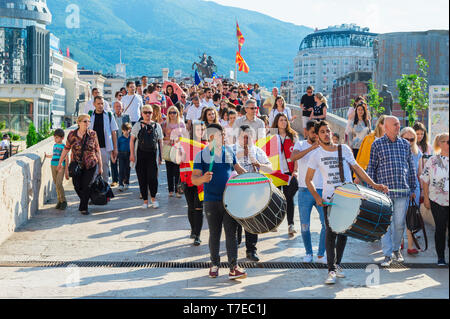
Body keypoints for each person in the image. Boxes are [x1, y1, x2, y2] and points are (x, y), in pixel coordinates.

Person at [305, 120, 388, 284]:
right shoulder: (316, 155)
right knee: (330, 233)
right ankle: (331, 270)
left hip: (349, 197)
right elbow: (308, 180)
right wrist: (316, 196)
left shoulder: (344, 149)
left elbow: (358, 169)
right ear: (317, 135)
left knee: (344, 232)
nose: (326, 134)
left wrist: (374, 185)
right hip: (330, 200)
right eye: (322, 131)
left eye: (328, 130)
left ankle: (337, 265)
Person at [192, 123, 248, 280]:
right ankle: (214, 265)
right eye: (221, 135)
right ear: (211, 137)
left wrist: (252, 178)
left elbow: (239, 170)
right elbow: (194, 179)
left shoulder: (229, 151)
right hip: (211, 201)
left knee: (231, 234)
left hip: (229, 200)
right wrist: (203, 178)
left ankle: (233, 267)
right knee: (214, 234)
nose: (224, 137)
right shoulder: (202, 155)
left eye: (224, 134)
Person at [367, 116, 417, 267]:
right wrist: (372, 190)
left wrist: (413, 187)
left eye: (399, 124)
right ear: (386, 127)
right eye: (395, 125)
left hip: (402, 191)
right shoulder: (377, 144)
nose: (398, 127)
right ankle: (387, 254)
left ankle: (396, 250)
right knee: (386, 225)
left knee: (400, 224)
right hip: (384, 194)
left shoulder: (405, 144)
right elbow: (371, 168)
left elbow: (411, 168)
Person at [232, 125, 273, 262]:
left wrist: (258, 164)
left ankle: (251, 250)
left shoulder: (257, 151)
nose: (246, 140)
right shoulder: (231, 150)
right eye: (243, 137)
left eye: (248, 137)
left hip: (253, 190)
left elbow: (270, 168)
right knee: (235, 220)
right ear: (238, 137)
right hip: (235, 190)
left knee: (252, 220)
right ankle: (235, 246)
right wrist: (238, 157)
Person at [291, 120, 326, 263]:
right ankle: (308, 253)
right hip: (304, 190)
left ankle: (321, 254)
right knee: (305, 225)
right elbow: (293, 157)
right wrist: (311, 148)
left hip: (321, 190)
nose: (316, 136)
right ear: (307, 132)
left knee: (326, 224)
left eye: (317, 133)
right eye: (313, 133)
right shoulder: (300, 144)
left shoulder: (324, 147)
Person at [58, 114, 102, 215]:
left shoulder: (92, 134)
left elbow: (97, 150)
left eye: (89, 122)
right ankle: (85, 200)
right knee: (77, 186)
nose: (87, 124)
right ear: (79, 123)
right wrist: (60, 162)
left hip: (91, 164)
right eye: (85, 121)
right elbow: (66, 149)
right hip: (77, 165)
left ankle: (84, 207)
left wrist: (101, 166)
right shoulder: (72, 135)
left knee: (86, 185)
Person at [420, 133, 449, 266]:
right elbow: (425, 180)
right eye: (447, 142)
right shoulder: (432, 160)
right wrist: (426, 198)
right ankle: (441, 257)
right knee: (440, 228)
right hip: (437, 200)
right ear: (440, 143)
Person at [130, 105, 164, 209]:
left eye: (149, 112)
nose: (147, 114)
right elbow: (132, 140)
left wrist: (161, 156)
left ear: (152, 113)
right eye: (145, 112)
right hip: (140, 154)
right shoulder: (137, 125)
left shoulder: (157, 125)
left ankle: (153, 199)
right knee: (142, 178)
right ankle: (145, 201)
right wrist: (132, 154)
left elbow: (160, 141)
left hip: (152, 155)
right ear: (141, 113)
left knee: (153, 178)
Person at [272, 113, 299, 236]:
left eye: (285, 120)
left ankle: (291, 224)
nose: (283, 122)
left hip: (289, 172)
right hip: (276, 172)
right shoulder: (271, 135)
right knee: (276, 199)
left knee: (289, 198)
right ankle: (275, 223)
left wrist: (295, 170)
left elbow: (296, 155)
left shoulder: (292, 136)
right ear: (276, 122)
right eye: (281, 120)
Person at [181, 121, 207, 246]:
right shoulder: (186, 145)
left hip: (201, 182)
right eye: (198, 129)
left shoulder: (207, 145)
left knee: (198, 207)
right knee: (191, 207)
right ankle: (193, 229)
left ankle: (197, 234)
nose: (200, 132)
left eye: (202, 129)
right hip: (187, 180)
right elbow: (179, 161)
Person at [400, 127, 423, 255]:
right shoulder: (397, 151)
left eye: (412, 139)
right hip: (401, 188)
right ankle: (401, 242)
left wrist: (422, 192)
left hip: (414, 189)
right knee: (399, 218)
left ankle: (410, 245)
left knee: (411, 218)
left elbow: (420, 173)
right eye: (406, 139)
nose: (409, 141)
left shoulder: (417, 153)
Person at [88, 96, 119, 183]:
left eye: (102, 103)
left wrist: (115, 148)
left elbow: (114, 132)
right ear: (94, 104)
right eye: (98, 104)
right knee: (93, 171)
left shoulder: (109, 115)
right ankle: (94, 193)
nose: (100, 106)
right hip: (92, 149)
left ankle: (106, 192)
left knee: (105, 171)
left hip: (105, 147)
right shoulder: (90, 115)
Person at [162, 106, 186, 198]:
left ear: (177, 113)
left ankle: (177, 190)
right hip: (168, 147)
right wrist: (171, 137)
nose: (172, 114)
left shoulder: (181, 123)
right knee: (169, 170)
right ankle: (170, 190)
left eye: (174, 112)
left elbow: (184, 136)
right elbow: (162, 137)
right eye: (170, 113)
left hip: (178, 148)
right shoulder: (165, 123)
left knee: (177, 171)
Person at [354, 115, 386, 184]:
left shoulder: (391, 140)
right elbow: (362, 157)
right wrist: (358, 176)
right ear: (380, 124)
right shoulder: (369, 138)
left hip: (384, 173)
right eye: (386, 124)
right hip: (368, 172)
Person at [44, 129, 69, 210]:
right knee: (56, 184)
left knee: (59, 184)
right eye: (54, 137)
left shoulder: (63, 146)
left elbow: (66, 157)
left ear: (62, 138)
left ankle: (64, 201)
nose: (55, 139)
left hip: (61, 166)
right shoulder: (55, 145)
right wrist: (48, 156)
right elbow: (55, 155)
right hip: (53, 165)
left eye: (57, 137)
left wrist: (65, 168)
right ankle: (59, 201)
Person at [110, 101, 125, 187]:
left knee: (123, 162)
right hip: (113, 141)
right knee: (113, 161)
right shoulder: (110, 117)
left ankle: (122, 179)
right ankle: (114, 180)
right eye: (116, 106)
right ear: (114, 108)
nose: (118, 108)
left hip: (123, 141)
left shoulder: (126, 117)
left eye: (119, 106)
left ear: (122, 107)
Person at [117, 123, 132, 192]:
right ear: (122, 130)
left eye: (128, 130)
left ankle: (127, 182)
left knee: (127, 169)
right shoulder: (120, 139)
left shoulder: (131, 138)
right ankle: (120, 184)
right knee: (121, 169)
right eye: (125, 130)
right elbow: (117, 147)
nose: (127, 131)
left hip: (129, 154)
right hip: (121, 154)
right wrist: (116, 155)